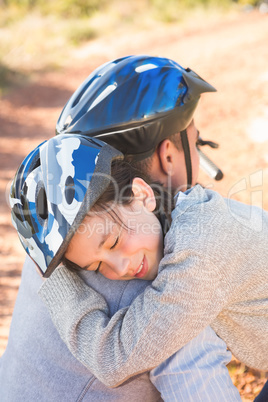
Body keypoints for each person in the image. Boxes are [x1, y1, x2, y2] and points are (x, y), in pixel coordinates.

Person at [1, 55, 240, 401]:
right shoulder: (166, 295)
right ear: (169, 154)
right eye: (195, 137)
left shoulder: (55, 243)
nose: (119, 269)